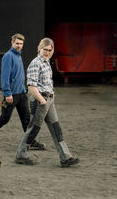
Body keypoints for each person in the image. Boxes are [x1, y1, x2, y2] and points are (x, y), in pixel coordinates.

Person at [14, 38, 79, 167]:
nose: (48, 52)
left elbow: (47, 82)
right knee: (34, 129)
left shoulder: (46, 62)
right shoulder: (36, 63)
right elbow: (31, 86)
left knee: (56, 128)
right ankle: (21, 155)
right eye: (45, 49)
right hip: (40, 101)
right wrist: (42, 100)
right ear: (39, 48)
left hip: (49, 100)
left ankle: (65, 158)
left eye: (50, 50)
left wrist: (51, 95)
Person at [0, 33, 45, 150]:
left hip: (21, 94)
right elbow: (5, 76)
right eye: (17, 43)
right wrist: (7, 93)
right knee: (4, 118)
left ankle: (30, 142)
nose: (19, 45)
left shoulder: (18, 56)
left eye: (21, 44)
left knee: (26, 119)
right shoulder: (8, 56)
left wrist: (24, 89)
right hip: (11, 95)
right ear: (12, 43)